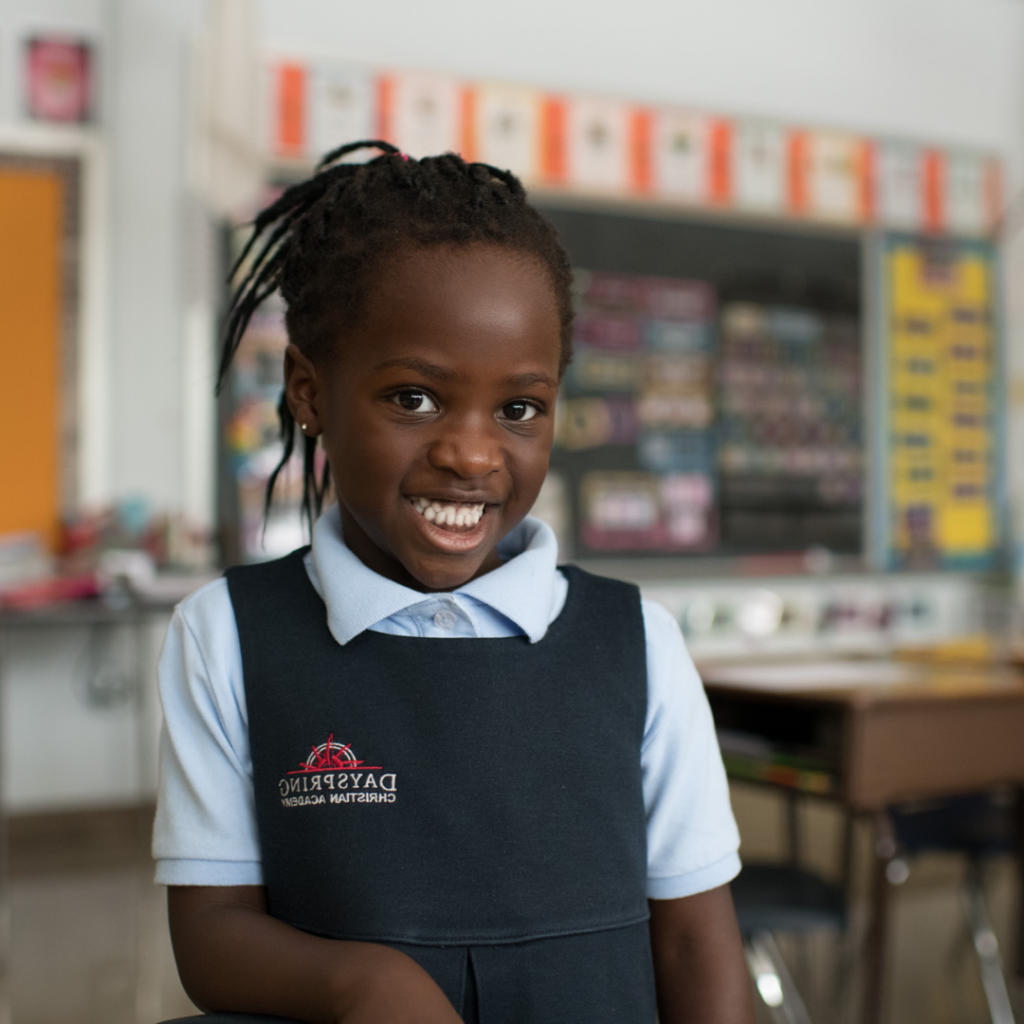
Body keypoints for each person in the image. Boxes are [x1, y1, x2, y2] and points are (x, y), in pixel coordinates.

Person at [154, 140, 754, 1024]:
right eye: (415, 399)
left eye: (518, 410)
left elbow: (696, 943)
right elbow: (210, 935)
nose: (472, 453)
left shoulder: (637, 644)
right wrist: (365, 983)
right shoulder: (228, 635)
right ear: (308, 392)